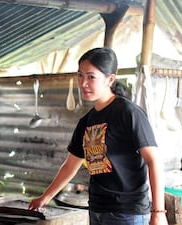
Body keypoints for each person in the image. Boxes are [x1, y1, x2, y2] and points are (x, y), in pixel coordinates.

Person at [28, 47, 168, 225]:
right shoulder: (86, 121)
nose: (83, 83)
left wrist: (158, 212)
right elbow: (70, 165)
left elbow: (153, 161)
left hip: (127, 212)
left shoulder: (128, 113)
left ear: (110, 79)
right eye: (80, 75)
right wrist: (45, 197)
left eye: (91, 77)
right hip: (97, 208)